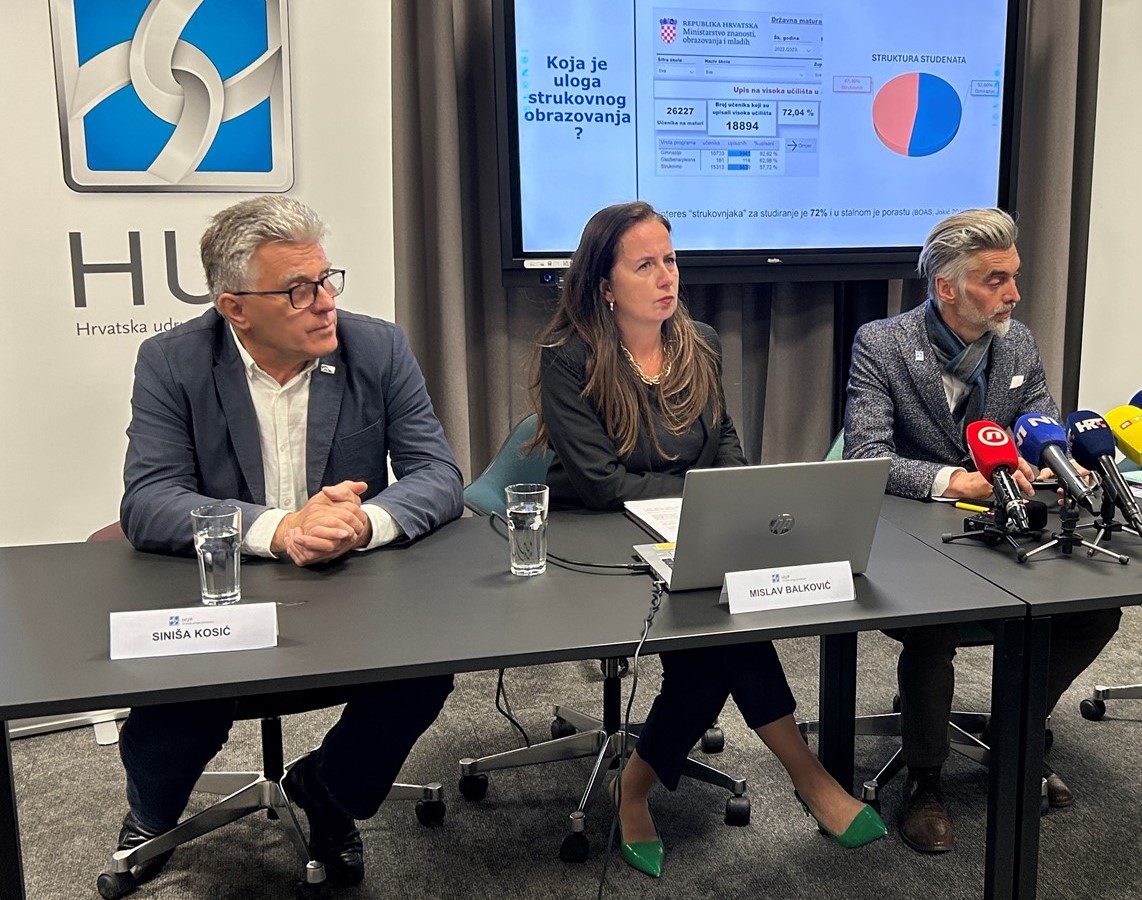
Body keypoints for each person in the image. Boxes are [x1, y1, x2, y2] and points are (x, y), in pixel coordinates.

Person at [529, 200, 886, 878]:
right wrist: (701, 497)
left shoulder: (700, 342)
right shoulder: (569, 357)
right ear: (605, 286)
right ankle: (805, 779)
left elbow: (725, 446)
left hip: (686, 526)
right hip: (600, 540)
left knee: (720, 636)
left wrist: (729, 505)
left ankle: (639, 785)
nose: (666, 276)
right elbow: (601, 483)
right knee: (722, 642)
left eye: (670, 259)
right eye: (644, 265)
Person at [114, 195, 462, 888]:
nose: (325, 302)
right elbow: (148, 500)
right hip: (225, 592)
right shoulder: (173, 361)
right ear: (235, 307)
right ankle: (150, 817)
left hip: (347, 586)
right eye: (299, 290)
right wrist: (281, 528)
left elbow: (437, 473)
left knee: (426, 669)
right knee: (176, 705)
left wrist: (364, 522)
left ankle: (328, 789)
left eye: (327, 280)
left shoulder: (377, 347)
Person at [843, 208, 1121, 853]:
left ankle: (1015, 726)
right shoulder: (882, 344)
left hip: (1004, 529)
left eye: (1014, 276)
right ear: (947, 287)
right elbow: (867, 457)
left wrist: (1052, 462)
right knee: (935, 627)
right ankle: (925, 778)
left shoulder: (1015, 342)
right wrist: (952, 481)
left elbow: (1042, 422)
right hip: (912, 537)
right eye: (996, 280)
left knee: (1095, 611)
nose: (1014, 293)